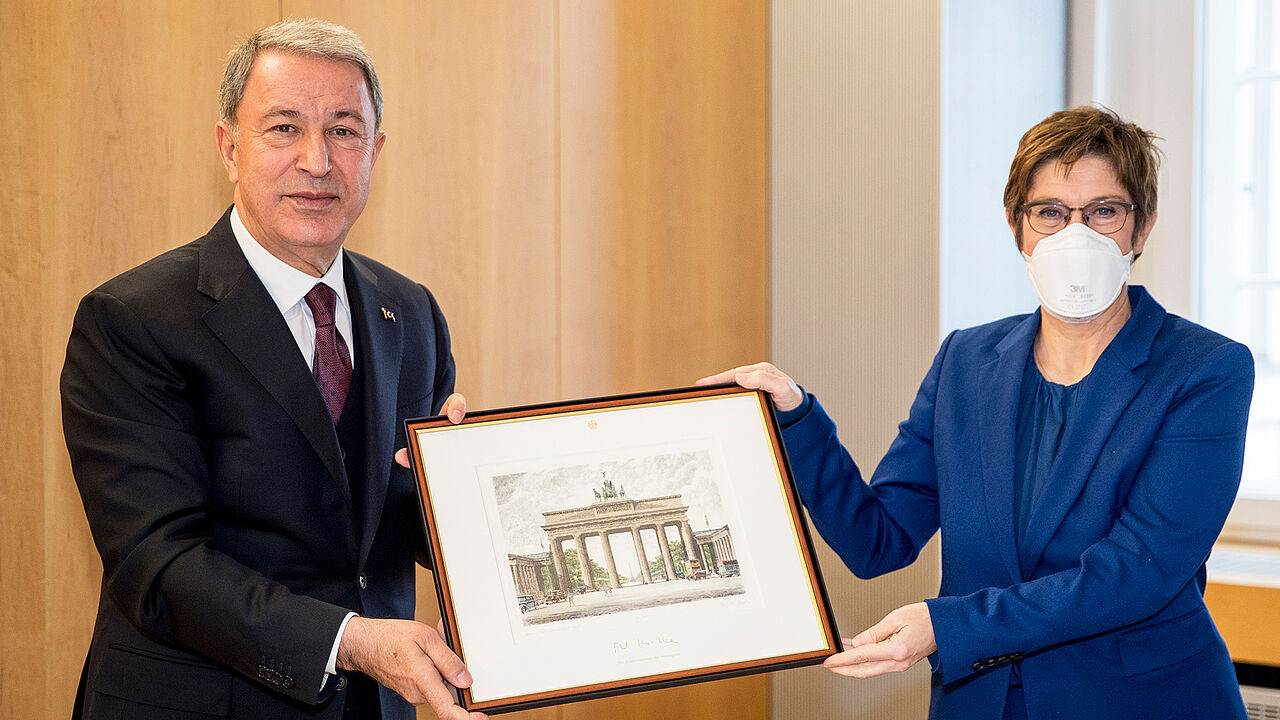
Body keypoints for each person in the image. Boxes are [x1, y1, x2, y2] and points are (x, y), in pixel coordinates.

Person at [701, 106, 1254, 719]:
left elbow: (1137, 572)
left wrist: (947, 626)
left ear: (1141, 227)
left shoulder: (1205, 369)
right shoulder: (966, 359)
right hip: (982, 702)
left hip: (1136, 701)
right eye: (1050, 212)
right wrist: (795, 417)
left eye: (1104, 211)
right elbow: (878, 541)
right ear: (1017, 227)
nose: (1076, 235)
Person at [61, 19, 484, 720]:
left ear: (375, 151)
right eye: (284, 128)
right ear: (230, 148)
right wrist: (350, 642)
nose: (317, 161)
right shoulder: (133, 321)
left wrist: (462, 484)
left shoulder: (410, 313)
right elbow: (159, 563)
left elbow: (395, 528)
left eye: (344, 131)